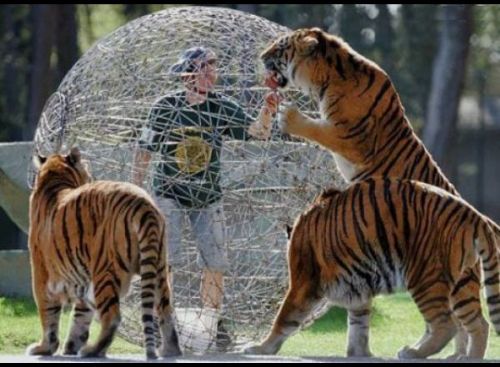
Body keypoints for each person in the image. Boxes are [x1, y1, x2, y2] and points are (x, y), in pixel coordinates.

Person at [132, 46, 280, 349]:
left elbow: (258, 133)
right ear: (189, 72)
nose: (212, 73)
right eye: (205, 67)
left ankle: (211, 323)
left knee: (215, 259)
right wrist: (136, 191)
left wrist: (267, 110)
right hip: (168, 193)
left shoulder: (222, 106)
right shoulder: (165, 107)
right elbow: (144, 149)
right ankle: (165, 321)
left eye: (214, 67)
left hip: (207, 195)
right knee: (165, 258)